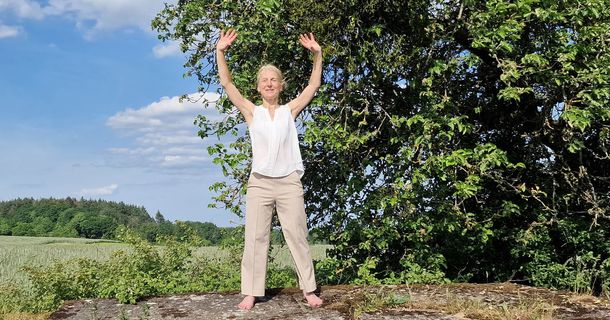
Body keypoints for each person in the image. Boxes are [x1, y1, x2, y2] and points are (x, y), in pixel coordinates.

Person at [215, 28, 324, 310]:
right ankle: (251, 292)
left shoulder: (290, 110)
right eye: (264, 80)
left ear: (281, 85)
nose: (269, 83)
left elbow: (313, 86)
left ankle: (309, 289)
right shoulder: (252, 112)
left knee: (297, 235)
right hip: (260, 183)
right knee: (256, 238)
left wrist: (317, 55)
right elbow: (227, 85)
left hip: (289, 181)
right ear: (258, 86)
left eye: (274, 79)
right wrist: (220, 52)